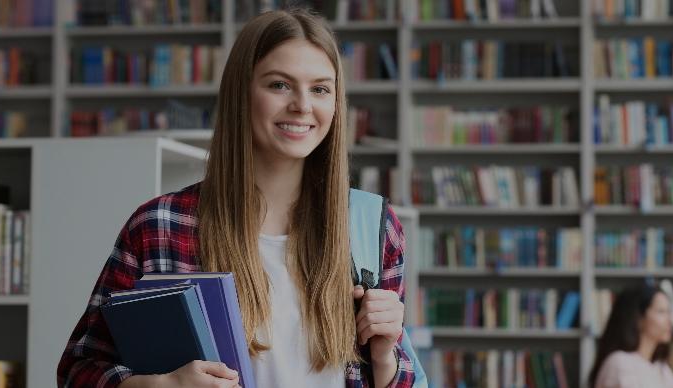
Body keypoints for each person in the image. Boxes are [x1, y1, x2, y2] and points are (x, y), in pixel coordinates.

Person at [57, 8, 417, 388]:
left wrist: (384, 357)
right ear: (241, 92)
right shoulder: (160, 225)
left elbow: (399, 376)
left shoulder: (371, 226)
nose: (302, 105)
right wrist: (161, 386)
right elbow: (77, 371)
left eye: (320, 89)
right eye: (279, 85)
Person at [587, 284, 673, 388]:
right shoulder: (620, 363)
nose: (670, 321)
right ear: (638, 317)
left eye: (669, 312)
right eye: (661, 312)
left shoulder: (659, 368)